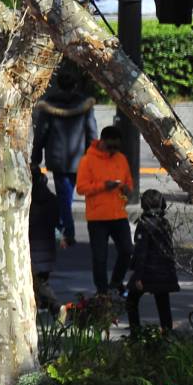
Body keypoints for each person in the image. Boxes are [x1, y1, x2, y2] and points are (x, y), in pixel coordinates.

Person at [32, 69, 98, 248]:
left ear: (58, 84)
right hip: (79, 157)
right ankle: (63, 227)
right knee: (66, 194)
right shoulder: (84, 105)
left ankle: (68, 231)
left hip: (57, 157)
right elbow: (92, 132)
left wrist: (36, 156)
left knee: (64, 194)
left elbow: (41, 133)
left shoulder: (49, 106)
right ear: (75, 85)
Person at [76, 125, 133, 295]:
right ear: (102, 142)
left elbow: (128, 181)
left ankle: (115, 282)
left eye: (117, 147)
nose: (113, 150)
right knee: (100, 257)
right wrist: (103, 186)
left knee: (127, 250)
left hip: (118, 213)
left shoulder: (121, 158)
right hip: (98, 217)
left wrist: (127, 189)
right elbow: (81, 187)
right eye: (111, 146)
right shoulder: (87, 160)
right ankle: (102, 290)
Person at [127, 188, 179, 335]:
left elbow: (141, 252)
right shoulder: (164, 222)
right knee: (163, 304)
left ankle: (135, 333)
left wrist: (138, 276)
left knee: (131, 301)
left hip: (149, 272)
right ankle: (167, 334)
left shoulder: (144, 224)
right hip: (164, 271)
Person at [30, 168, 60, 313]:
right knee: (41, 281)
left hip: (31, 251)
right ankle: (45, 305)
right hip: (47, 250)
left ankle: (54, 306)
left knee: (37, 284)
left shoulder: (27, 202)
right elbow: (56, 222)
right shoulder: (51, 199)